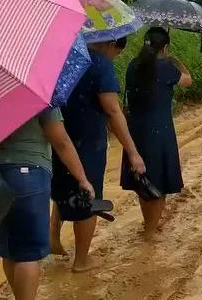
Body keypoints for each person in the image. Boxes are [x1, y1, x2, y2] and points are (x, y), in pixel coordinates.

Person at [50, 37, 146, 273]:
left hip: (58, 133)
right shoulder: (100, 63)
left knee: (63, 187)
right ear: (111, 45)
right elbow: (112, 110)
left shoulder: (61, 54)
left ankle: (53, 237)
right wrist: (132, 151)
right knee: (88, 194)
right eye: (117, 53)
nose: (115, 58)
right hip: (88, 138)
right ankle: (81, 260)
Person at [0, 107, 95, 300]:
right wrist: (82, 178)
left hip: (0, 177)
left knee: (10, 251)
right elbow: (61, 141)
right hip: (29, 174)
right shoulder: (33, 90)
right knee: (28, 254)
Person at [120, 27, 192, 240]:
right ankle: (151, 231)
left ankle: (147, 224)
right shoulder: (166, 67)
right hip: (160, 129)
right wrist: (175, 60)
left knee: (143, 180)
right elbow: (188, 80)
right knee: (160, 181)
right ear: (165, 47)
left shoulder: (133, 65)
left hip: (136, 129)